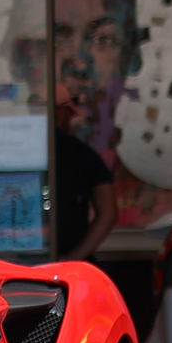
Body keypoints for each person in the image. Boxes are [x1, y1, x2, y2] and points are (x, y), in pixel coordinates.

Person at [54, 96, 117, 262]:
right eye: (69, 114)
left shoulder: (11, 152)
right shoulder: (80, 154)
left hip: (13, 260)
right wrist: (73, 259)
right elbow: (108, 212)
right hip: (68, 265)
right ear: (60, 113)